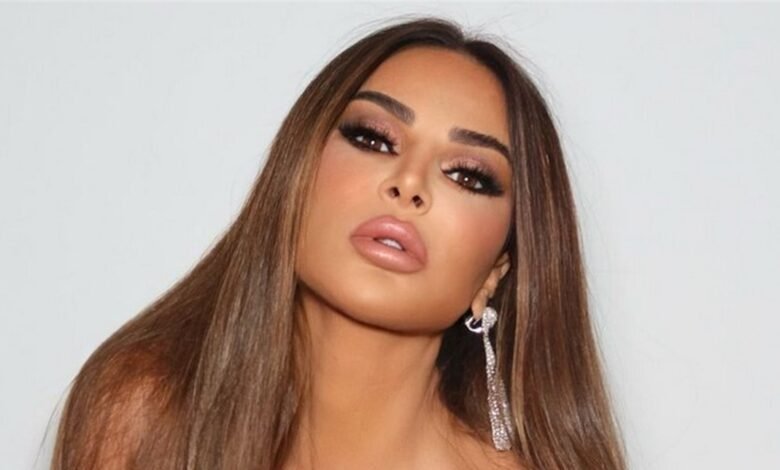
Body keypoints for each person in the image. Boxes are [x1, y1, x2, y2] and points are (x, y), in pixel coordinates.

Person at [50, 16, 626, 470]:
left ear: (497, 270)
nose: (408, 183)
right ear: (295, 174)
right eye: (373, 138)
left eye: (467, 176)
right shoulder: (144, 412)